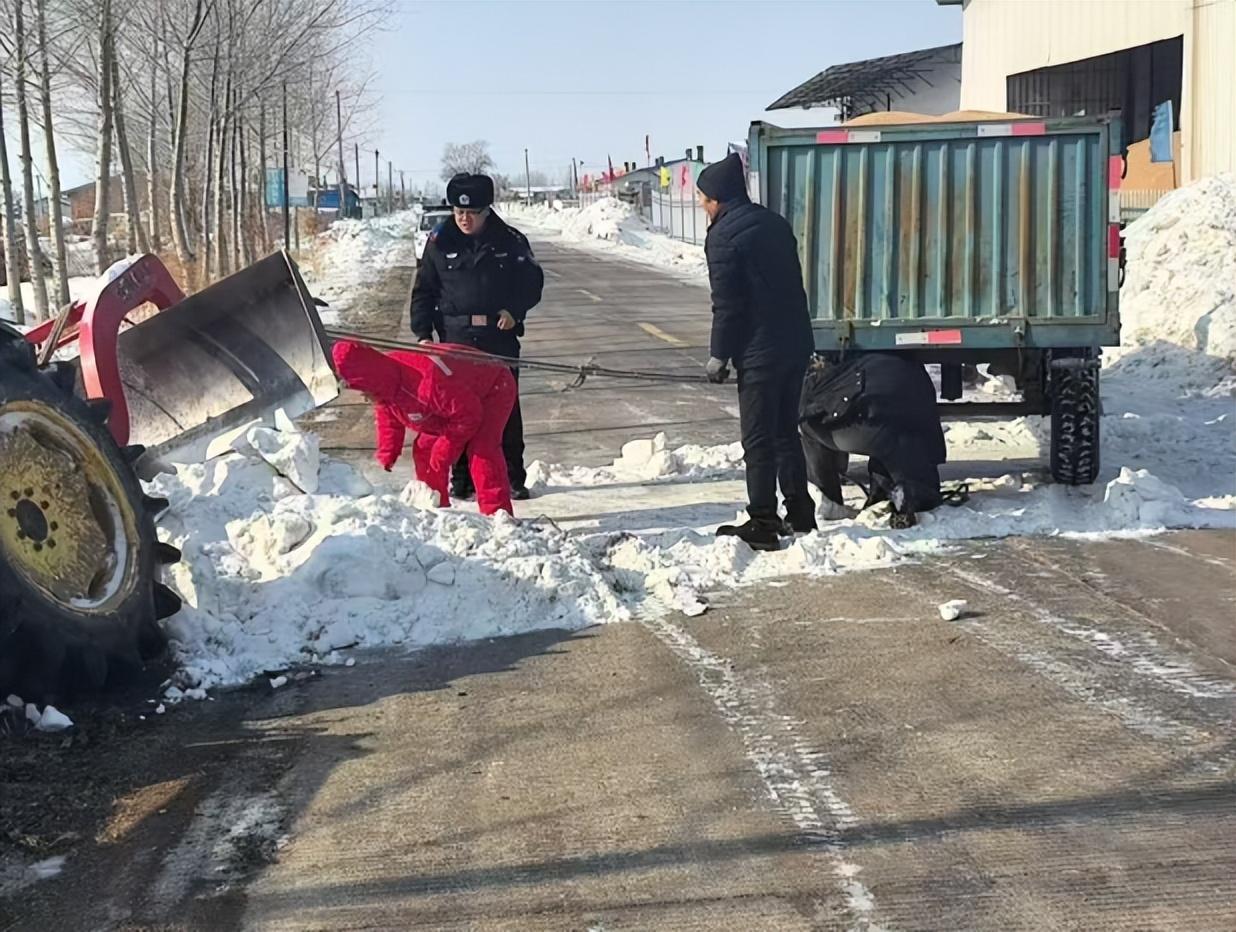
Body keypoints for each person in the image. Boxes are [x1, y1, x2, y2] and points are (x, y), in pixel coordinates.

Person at [697, 152, 816, 551]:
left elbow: (728, 305)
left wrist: (719, 356)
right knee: (786, 432)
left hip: (761, 352)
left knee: (759, 439)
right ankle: (800, 513)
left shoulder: (724, 236)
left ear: (718, 198)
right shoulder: (773, 222)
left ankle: (763, 521)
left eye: (704, 198)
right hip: (796, 343)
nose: (701, 205)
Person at [409, 173, 544, 502]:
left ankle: (512, 477)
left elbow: (532, 283)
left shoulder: (509, 240)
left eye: (472, 213)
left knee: (505, 412)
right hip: (454, 339)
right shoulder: (440, 241)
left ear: (486, 211)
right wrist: (423, 334)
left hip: (498, 337)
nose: (464, 219)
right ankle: (463, 478)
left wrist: (515, 310)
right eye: (458, 212)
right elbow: (424, 289)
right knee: (458, 413)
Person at [332, 339, 517, 517]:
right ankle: (436, 507)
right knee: (424, 449)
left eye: (362, 391)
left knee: (481, 450)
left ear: (369, 381)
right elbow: (388, 412)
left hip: (493, 386)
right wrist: (388, 451)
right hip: (455, 404)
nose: (363, 397)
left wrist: (444, 450)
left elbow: (468, 416)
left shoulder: (427, 383)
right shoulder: (386, 381)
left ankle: (497, 514)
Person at [799, 354, 947, 529]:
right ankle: (902, 490)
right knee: (902, 455)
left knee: (805, 424)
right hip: (902, 429)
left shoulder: (815, 373)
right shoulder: (911, 368)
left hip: (859, 425)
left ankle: (828, 499)